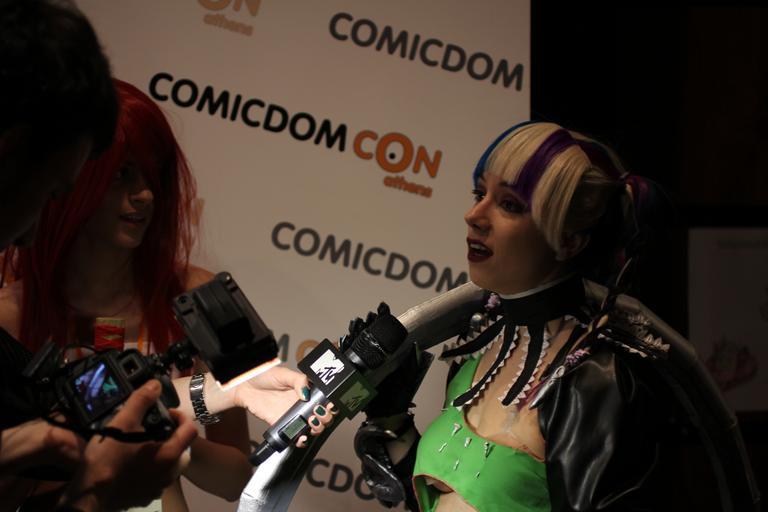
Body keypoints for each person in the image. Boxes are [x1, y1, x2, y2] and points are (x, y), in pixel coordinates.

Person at [0, 1, 330, 510]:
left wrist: (217, 399)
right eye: (121, 175)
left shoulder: (197, 297)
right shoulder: (12, 311)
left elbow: (234, 475)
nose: (145, 196)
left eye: (153, 176)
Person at [354, 121, 678, 511]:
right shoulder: (480, 351)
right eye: (480, 194)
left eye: (509, 204)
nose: (474, 215)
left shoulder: (593, 382)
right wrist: (389, 415)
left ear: (569, 240)